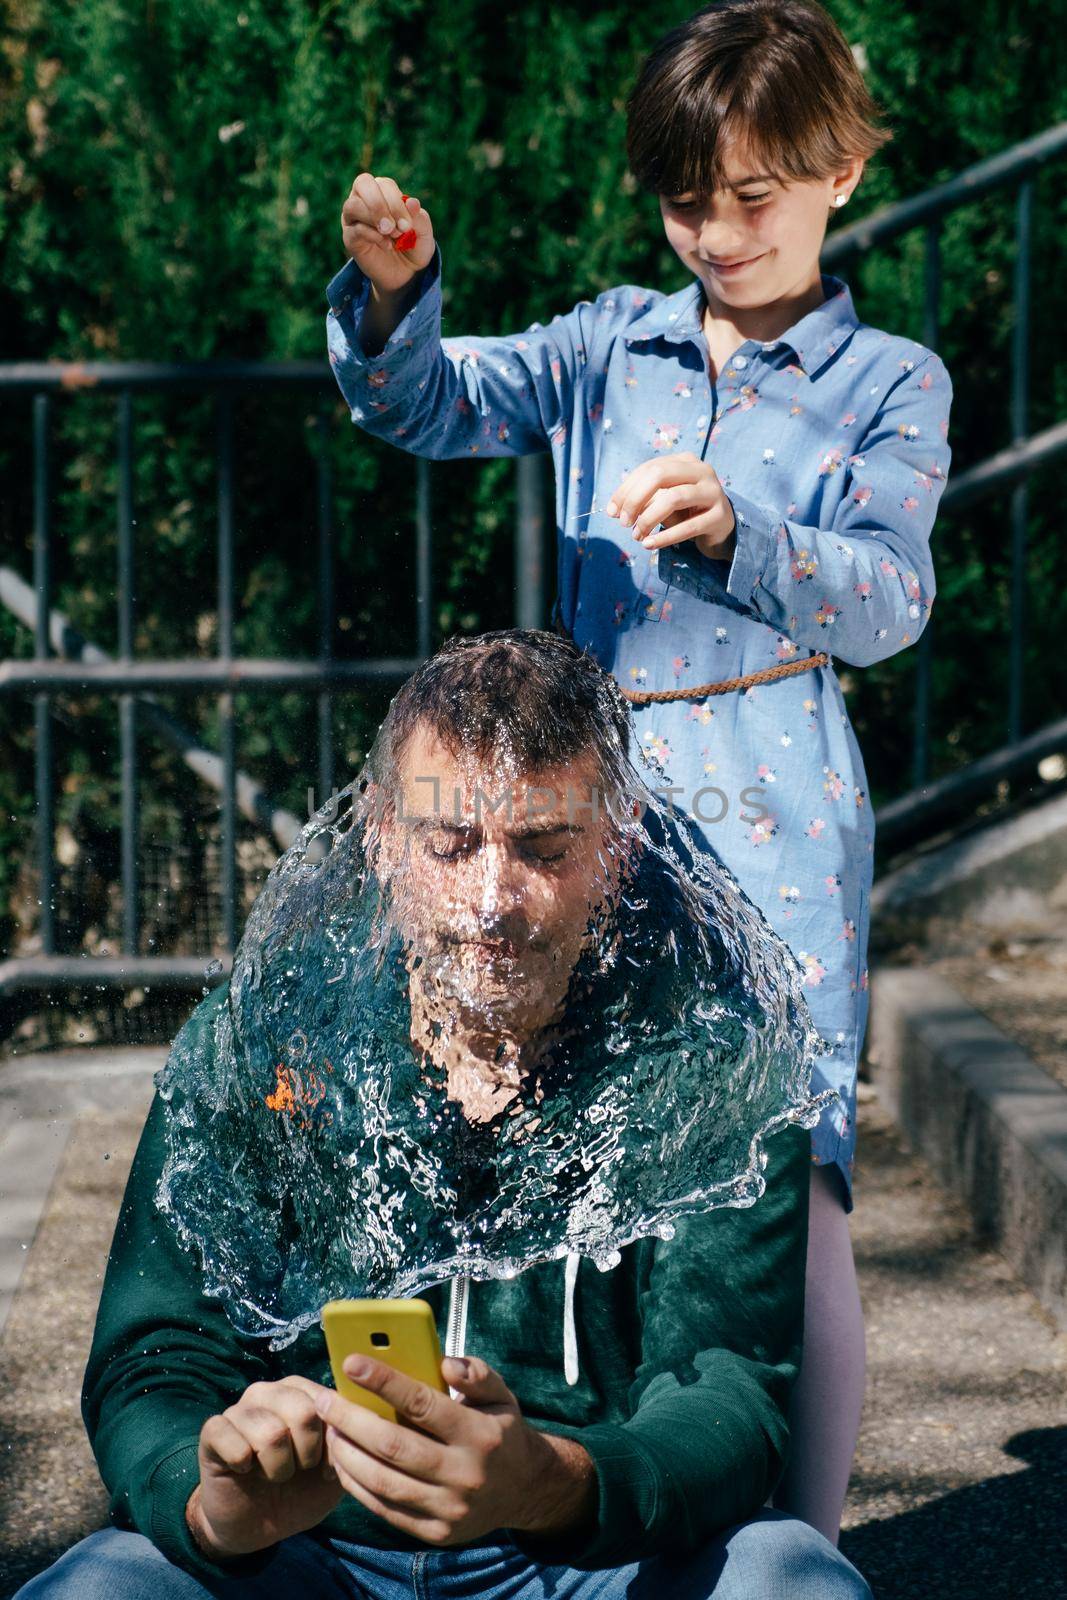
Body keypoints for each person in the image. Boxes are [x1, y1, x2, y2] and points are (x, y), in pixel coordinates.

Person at [322, 0, 954, 1546]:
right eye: (687, 201)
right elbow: (427, 405)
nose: (718, 234)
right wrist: (392, 296)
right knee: (583, 1138)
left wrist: (745, 533)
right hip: (590, 819)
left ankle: (791, 1546)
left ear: (841, 171)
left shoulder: (889, 379)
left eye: (753, 196)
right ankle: (603, 1514)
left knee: (789, 1183)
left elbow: (886, 603)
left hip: (785, 822)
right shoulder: (609, 341)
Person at [13, 630, 873, 1598]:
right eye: (450, 844)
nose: (489, 902)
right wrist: (209, 1505)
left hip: (590, 1564)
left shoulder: (709, 1053)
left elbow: (728, 1392)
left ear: (616, 844)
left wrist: (547, 1482)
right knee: (100, 1586)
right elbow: (156, 1350)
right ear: (381, 832)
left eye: (543, 848)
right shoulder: (271, 1033)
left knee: (787, 1577)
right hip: (301, 1556)